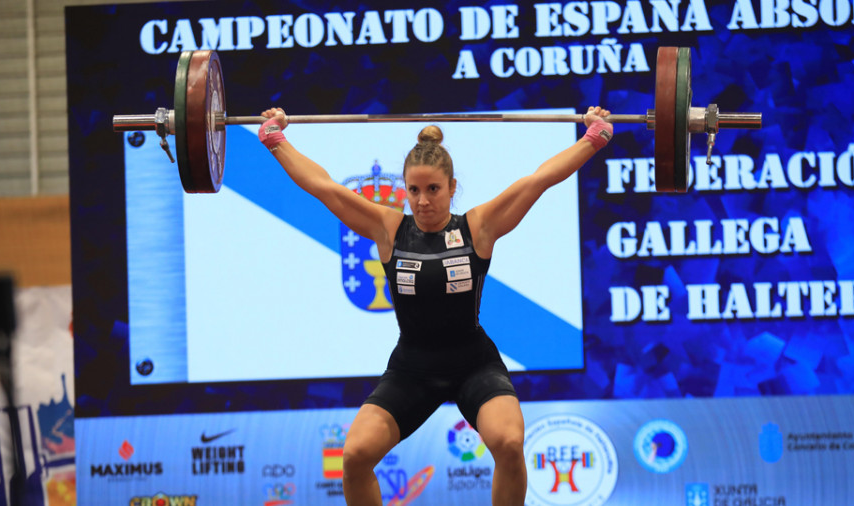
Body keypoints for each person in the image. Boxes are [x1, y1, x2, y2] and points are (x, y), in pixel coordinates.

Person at [258, 106, 613, 506]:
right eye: (414, 191)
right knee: (355, 455)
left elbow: (540, 180)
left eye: (433, 190)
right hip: (412, 369)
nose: (422, 201)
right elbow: (324, 187)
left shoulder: (478, 227)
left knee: (510, 442)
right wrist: (275, 139)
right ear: (404, 190)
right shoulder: (388, 229)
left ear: (452, 187)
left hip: (474, 365)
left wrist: (593, 138)